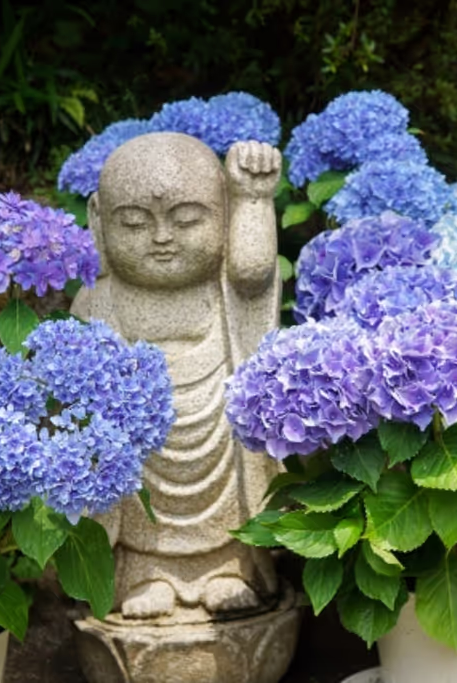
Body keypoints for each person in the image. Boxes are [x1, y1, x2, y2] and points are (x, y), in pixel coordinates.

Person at [72, 133, 282, 620]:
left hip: (216, 431)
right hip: (142, 454)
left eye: (187, 219)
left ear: (223, 217)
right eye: (133, 223)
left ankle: (228, 569)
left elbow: (253, 273)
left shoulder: (225, 289)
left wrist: (252, 197)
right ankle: (148, 575)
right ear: (98, 221)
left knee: (229, 487)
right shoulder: (96, 302)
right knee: (132, 489)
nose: (162, 238)